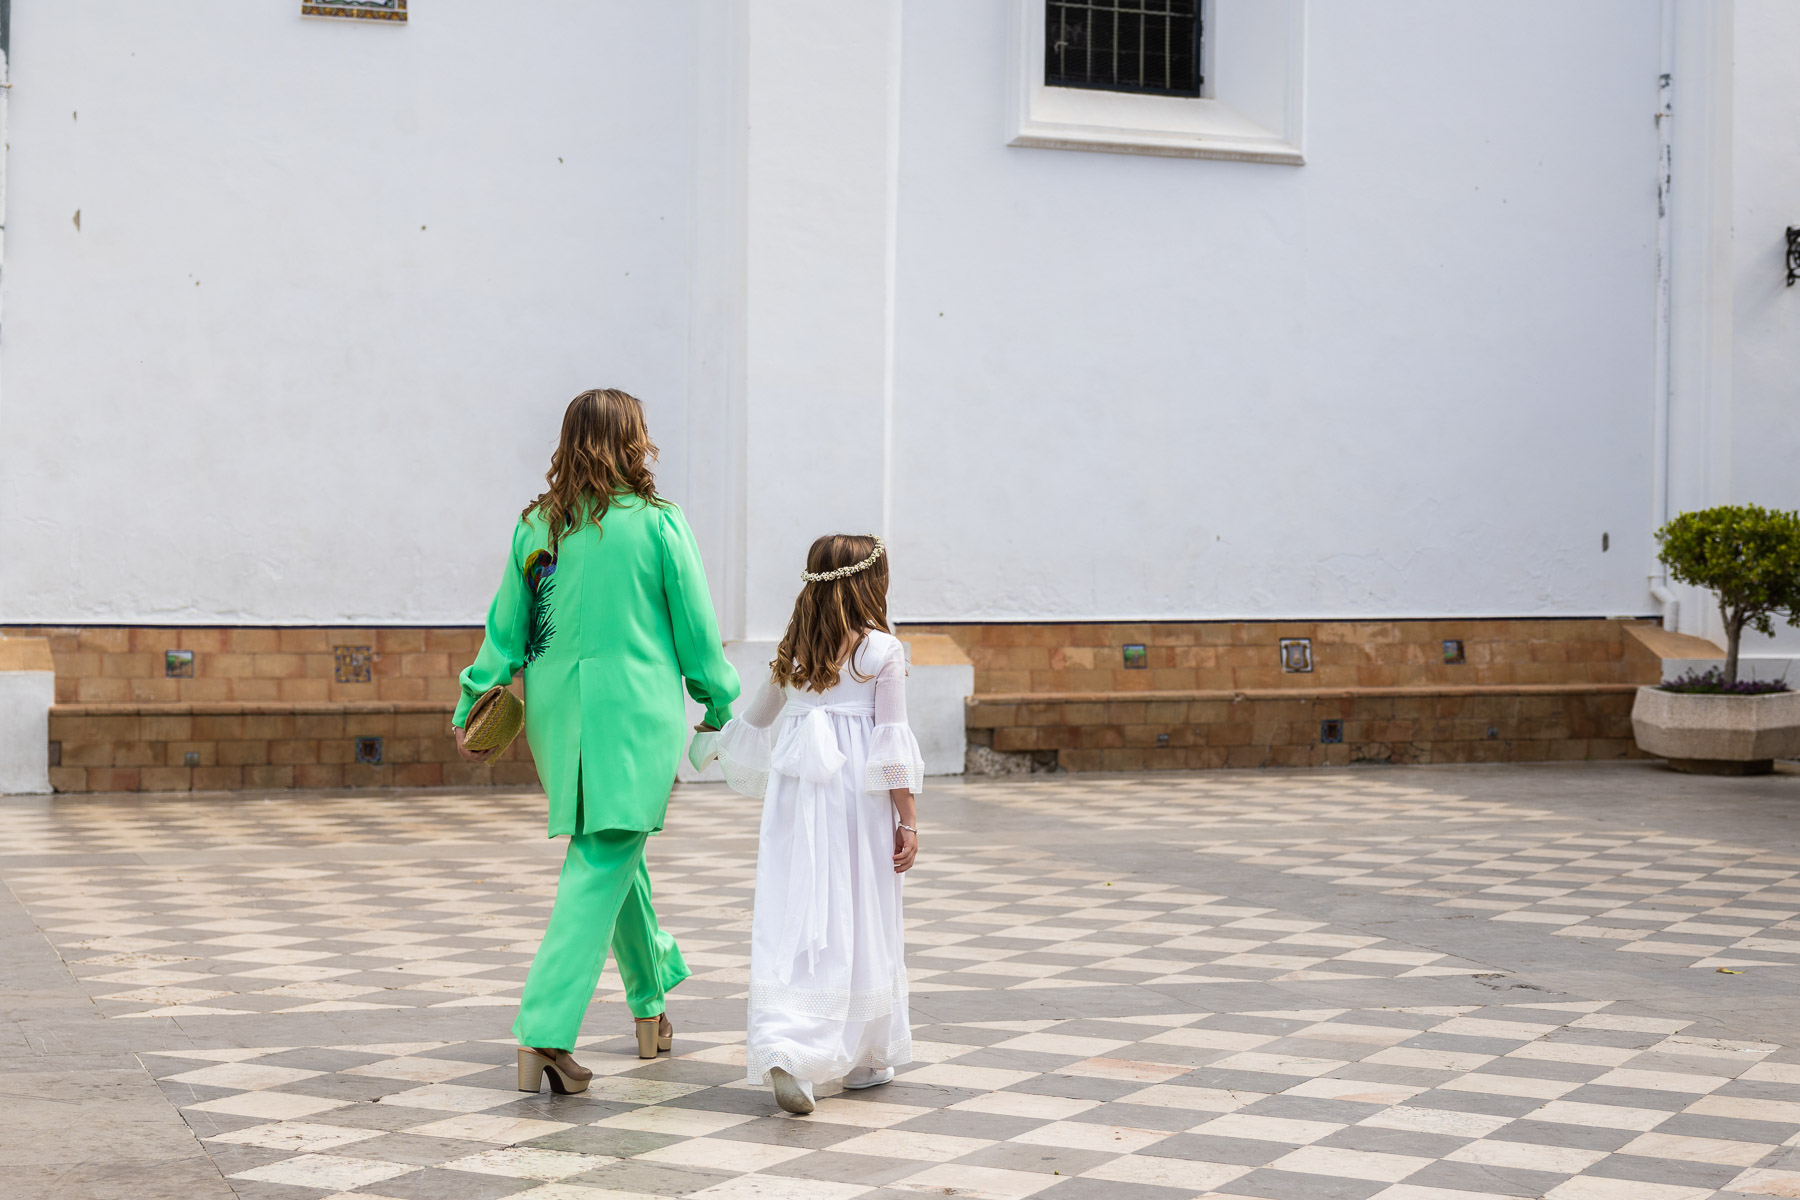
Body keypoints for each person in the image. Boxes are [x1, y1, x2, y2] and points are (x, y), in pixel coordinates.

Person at [451, 388, 739, 1095]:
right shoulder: (662, 526)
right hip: (637, 716)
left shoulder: (537, 528)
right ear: (634, 441)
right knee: (604, 856)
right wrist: (718, 698)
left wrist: (471, 703)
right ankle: (544, 1032)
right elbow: (696, 632)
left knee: (613, 849)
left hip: (560, 719)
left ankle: (650, 1003)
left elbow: (504, 629)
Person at [710, 533, 923, 1115]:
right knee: (860, 912)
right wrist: (907, 820)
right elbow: (890, 746)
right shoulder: (882, 651)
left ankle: (794, 1048)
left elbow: (755, 720)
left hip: (797, 801)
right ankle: (859, 1056)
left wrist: (717, 743)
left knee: (797, 911)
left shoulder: (795, 650)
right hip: (858, 800)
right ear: (869, 583)